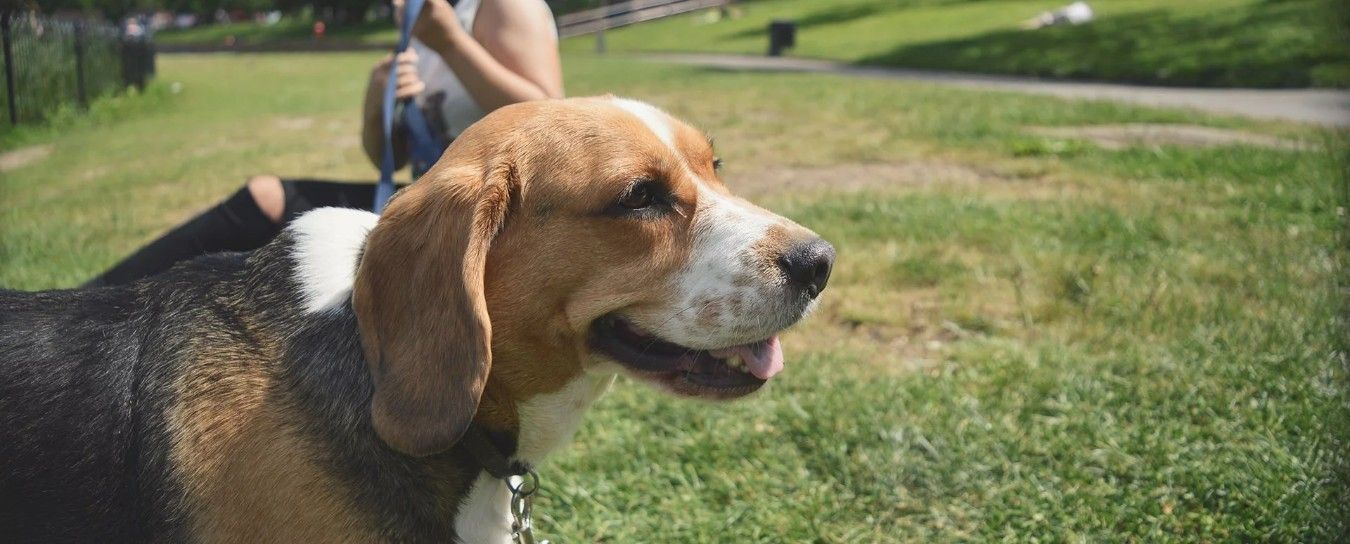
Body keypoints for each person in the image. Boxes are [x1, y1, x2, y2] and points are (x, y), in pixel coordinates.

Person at [86, 0, 562, 287]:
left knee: (270, 201)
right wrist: (376, 100)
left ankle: (92, 306)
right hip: (432, 206)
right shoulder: (428, 20)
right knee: (266, 198)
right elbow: (388, 159)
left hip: (498, 224)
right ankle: (95, 302)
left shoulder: (496, 8)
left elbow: (553, 126)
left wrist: (451, 42)